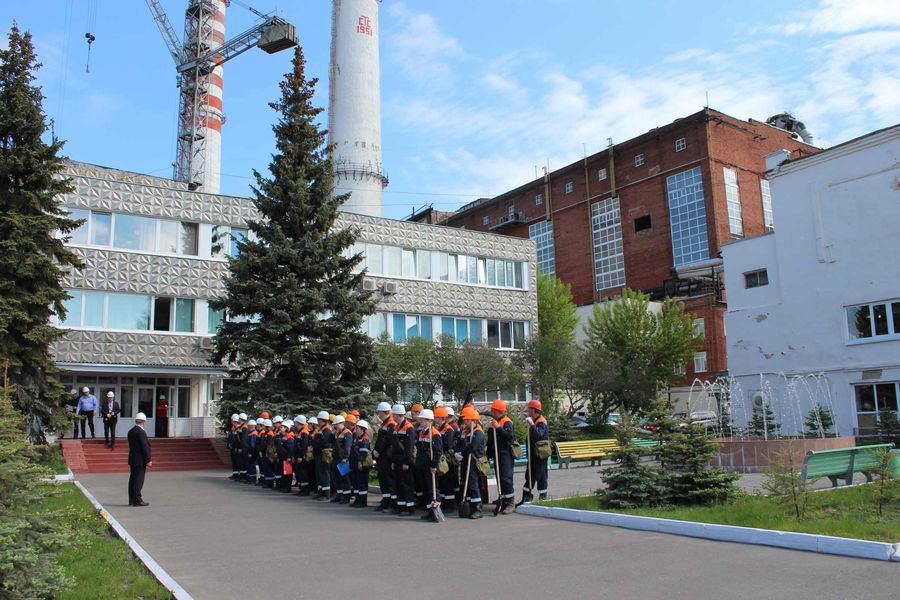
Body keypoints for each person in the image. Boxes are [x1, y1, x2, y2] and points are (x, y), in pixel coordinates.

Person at [486, 399, 516, 515]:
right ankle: (503, 500)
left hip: (505, 454)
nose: (491, 412)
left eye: (493, 410)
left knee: (506, 478)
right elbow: (490, 441)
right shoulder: (494, 422)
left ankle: (510, 503)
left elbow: (509, 437)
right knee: (499, 478)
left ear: (498, 411)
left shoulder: (506, 422)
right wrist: (488, 455)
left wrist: (498, 428)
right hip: (497, 454)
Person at [415, 409, 444, 523]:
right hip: (422, 465)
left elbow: (438, 452)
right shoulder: (421, 432)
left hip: (430, 466)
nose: (420, 422)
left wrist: (434, 465)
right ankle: (429, 511)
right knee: (426, 489)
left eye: (422, 420)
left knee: (432, 490)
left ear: (429, 421)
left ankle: (436, 511)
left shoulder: (435, 434)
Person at [457, 406, 486, 519]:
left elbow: (473, 447)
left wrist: (462, 453)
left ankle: (477, 509)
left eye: (466, 420)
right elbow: (460, 443)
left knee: (473, 485)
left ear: (472, 420)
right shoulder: (465, 431)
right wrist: (457, 453)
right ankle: (470, 507)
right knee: (467, 484)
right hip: (465, 461)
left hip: (474, 462)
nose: (464, 422)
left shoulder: (478, 432)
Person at [519, 399, 550, 505]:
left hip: (540, 455)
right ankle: (526, 497)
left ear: (534, 409)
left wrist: (532, 425)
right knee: (529, 476)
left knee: (541, 476)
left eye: (529, 409)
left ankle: (543, 499)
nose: (528, 410)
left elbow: (538, 436)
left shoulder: (541, 422)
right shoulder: (535, 420)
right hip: (533, 455)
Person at [390, 404, 416, 515]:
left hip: (404, 460)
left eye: (394, 414)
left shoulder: (409, 428)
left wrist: (406, 462)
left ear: (398, 414)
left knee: (407, 484)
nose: (393, 416)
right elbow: (394, 446)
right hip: (397, 459)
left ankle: (409, 508)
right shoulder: (397, 427)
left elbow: (409, 447)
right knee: (399, 483)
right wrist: (393, 461)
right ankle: (400, 506)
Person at [372, 401, 396, 512]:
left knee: (389, 479)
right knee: (383, 479)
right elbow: (380, 439)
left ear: (384, 412)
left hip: (387, 456)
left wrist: (378, 450)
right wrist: (375, 451)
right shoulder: (384, 424)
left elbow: (388, 440)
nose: (378, 414)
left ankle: (392, 503)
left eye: (379, 412)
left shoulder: (391, 424)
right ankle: (386, 500)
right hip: (382, 456)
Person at [434, 406, 458, 511]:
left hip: (447, 459)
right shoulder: (438, 428)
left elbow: (447, 444)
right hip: (441, 457)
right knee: (442, 481)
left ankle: (450, 504)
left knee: (448, 481)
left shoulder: (448, 429)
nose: (435, 419)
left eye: (436, 417)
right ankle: (444, 502)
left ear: (441, 418)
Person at [127, 412, 152, 507]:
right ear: (143, 421)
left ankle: (131, 500)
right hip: (140, 460)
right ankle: (137, 500)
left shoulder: (131, 431)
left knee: (132, 480)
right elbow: (144, 447)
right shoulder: (141, 432)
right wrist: (148, 460)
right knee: (138, 481)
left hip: (133, 459)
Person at [350, 420, 372, 507]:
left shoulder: (364, 439)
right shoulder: (357, 438)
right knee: (356, 482)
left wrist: (360, 462)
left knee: (362, 483)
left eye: (357, 428)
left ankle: (363, 501)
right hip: (355, 463)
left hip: (361, 464)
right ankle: (357, 499)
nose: (355, 429)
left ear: (363, 429)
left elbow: (363, 452)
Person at [331, 415, 353, 504]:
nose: (335, 426)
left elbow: (348, 447)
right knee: (336, 478)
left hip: (343, 459)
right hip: (336, 458)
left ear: (342, 423)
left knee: (344, 478)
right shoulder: (337, 433)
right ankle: (339, 495)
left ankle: (346, 497)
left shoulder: (347, 433)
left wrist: (345, 458)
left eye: (336, 424)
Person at [313, 411, 334, 501]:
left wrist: (316, 442)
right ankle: (321, 492)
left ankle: (326, 494)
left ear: (321, 420)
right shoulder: (322, 429)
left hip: (324, 454)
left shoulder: (327, 430)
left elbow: (324, 442)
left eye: (318, 419)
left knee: (324, 474)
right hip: (319, 454)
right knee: (319, 474)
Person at [276, 420, 295, 492]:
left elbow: (291, 448)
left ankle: (287, 488)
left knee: (287, 473)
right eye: (280, 427)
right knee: (283, 473)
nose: (280, 428)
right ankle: (283, 486)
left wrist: (289, 457)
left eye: (282, 427)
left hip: (286, 458)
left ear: (286, 428)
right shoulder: (282, 436)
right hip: (281, 457)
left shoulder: (289, 437)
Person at [243, 419, 259, 484]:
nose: (248, 427)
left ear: (252, 426)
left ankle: (252, 479)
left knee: (251, 465)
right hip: (248, 452)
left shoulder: (253, 434)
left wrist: (250, 453)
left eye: (249, 426)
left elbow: (252, 445)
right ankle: (249, 478)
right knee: (249, 465)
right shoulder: (251, 433)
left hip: (251, 453)